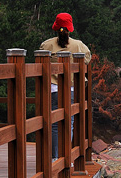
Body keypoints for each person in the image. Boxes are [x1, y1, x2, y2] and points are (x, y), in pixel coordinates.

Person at [39, 12, 91, 159]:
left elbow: (40, 61)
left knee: (55, 123)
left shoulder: (47, 44)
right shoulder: (79, 45)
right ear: (70, 27)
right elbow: (87, 59)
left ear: (56, 27)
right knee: (70, 123)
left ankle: (55, 157)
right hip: (72, 88)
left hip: (53, 88)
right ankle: (67, 157)